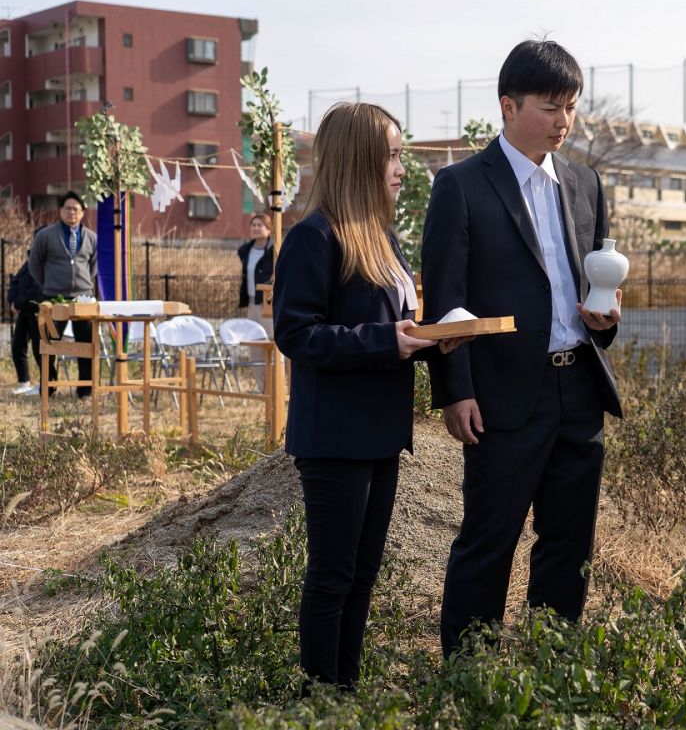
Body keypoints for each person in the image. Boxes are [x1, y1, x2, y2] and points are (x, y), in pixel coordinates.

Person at [423, 39, 624, 658]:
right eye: (549, 107)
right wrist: (455, 391)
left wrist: (605, 316)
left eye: (570, 107)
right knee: (490, 539)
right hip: (504, 393)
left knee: (569, 543)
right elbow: (444, 301)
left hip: (578, 390)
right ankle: (468, 675)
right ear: (507, 106)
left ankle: (551, 666)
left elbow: (598, 282)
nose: (563, 121)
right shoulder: (460, 186)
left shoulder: (586, 182)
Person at [273, 102, 464, 690]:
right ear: (360, 160)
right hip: (335, 436)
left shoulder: (380, 237)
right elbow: (296, 333)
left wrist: (439, 339)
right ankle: (318, 698)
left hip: (380, 432)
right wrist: (389, 339)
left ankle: (344, 692)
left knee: (361, 576)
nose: (402, 168)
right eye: (393, 155)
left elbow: (397, 330)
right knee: (332, 576)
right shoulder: (314, 237)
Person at [28, 192, 98, 398]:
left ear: (83, 212)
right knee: (48, 342)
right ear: (60, 211)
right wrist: (48, 284)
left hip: (83, 299)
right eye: (67, 208)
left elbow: (94, 266)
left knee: (86, 343)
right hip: (53, 297)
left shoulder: (92, 238)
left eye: (76, 209)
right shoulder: (45, 235)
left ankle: (85, 390)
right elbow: (35, 265)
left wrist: (83, 284)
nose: (71, 212)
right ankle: (48, 385)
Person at [7, 248, 43, 395]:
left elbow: (37, 290)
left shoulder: (46, 263)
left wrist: (18, 303)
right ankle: (24, 382)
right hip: (23, 313)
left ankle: (45, 384)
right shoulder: (28, 263)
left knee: (39, 349)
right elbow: (15, 282)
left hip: (38, 311)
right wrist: (13, 301)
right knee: (17, 346)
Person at [237, 212, 274, 335]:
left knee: (271, 338)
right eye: (253, 225)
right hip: (251, 301)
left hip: (268, 301)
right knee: (253, 338)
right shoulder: (245, 250)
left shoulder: (274, 251)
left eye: (260, 225)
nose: (256, 228)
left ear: (269, 230)